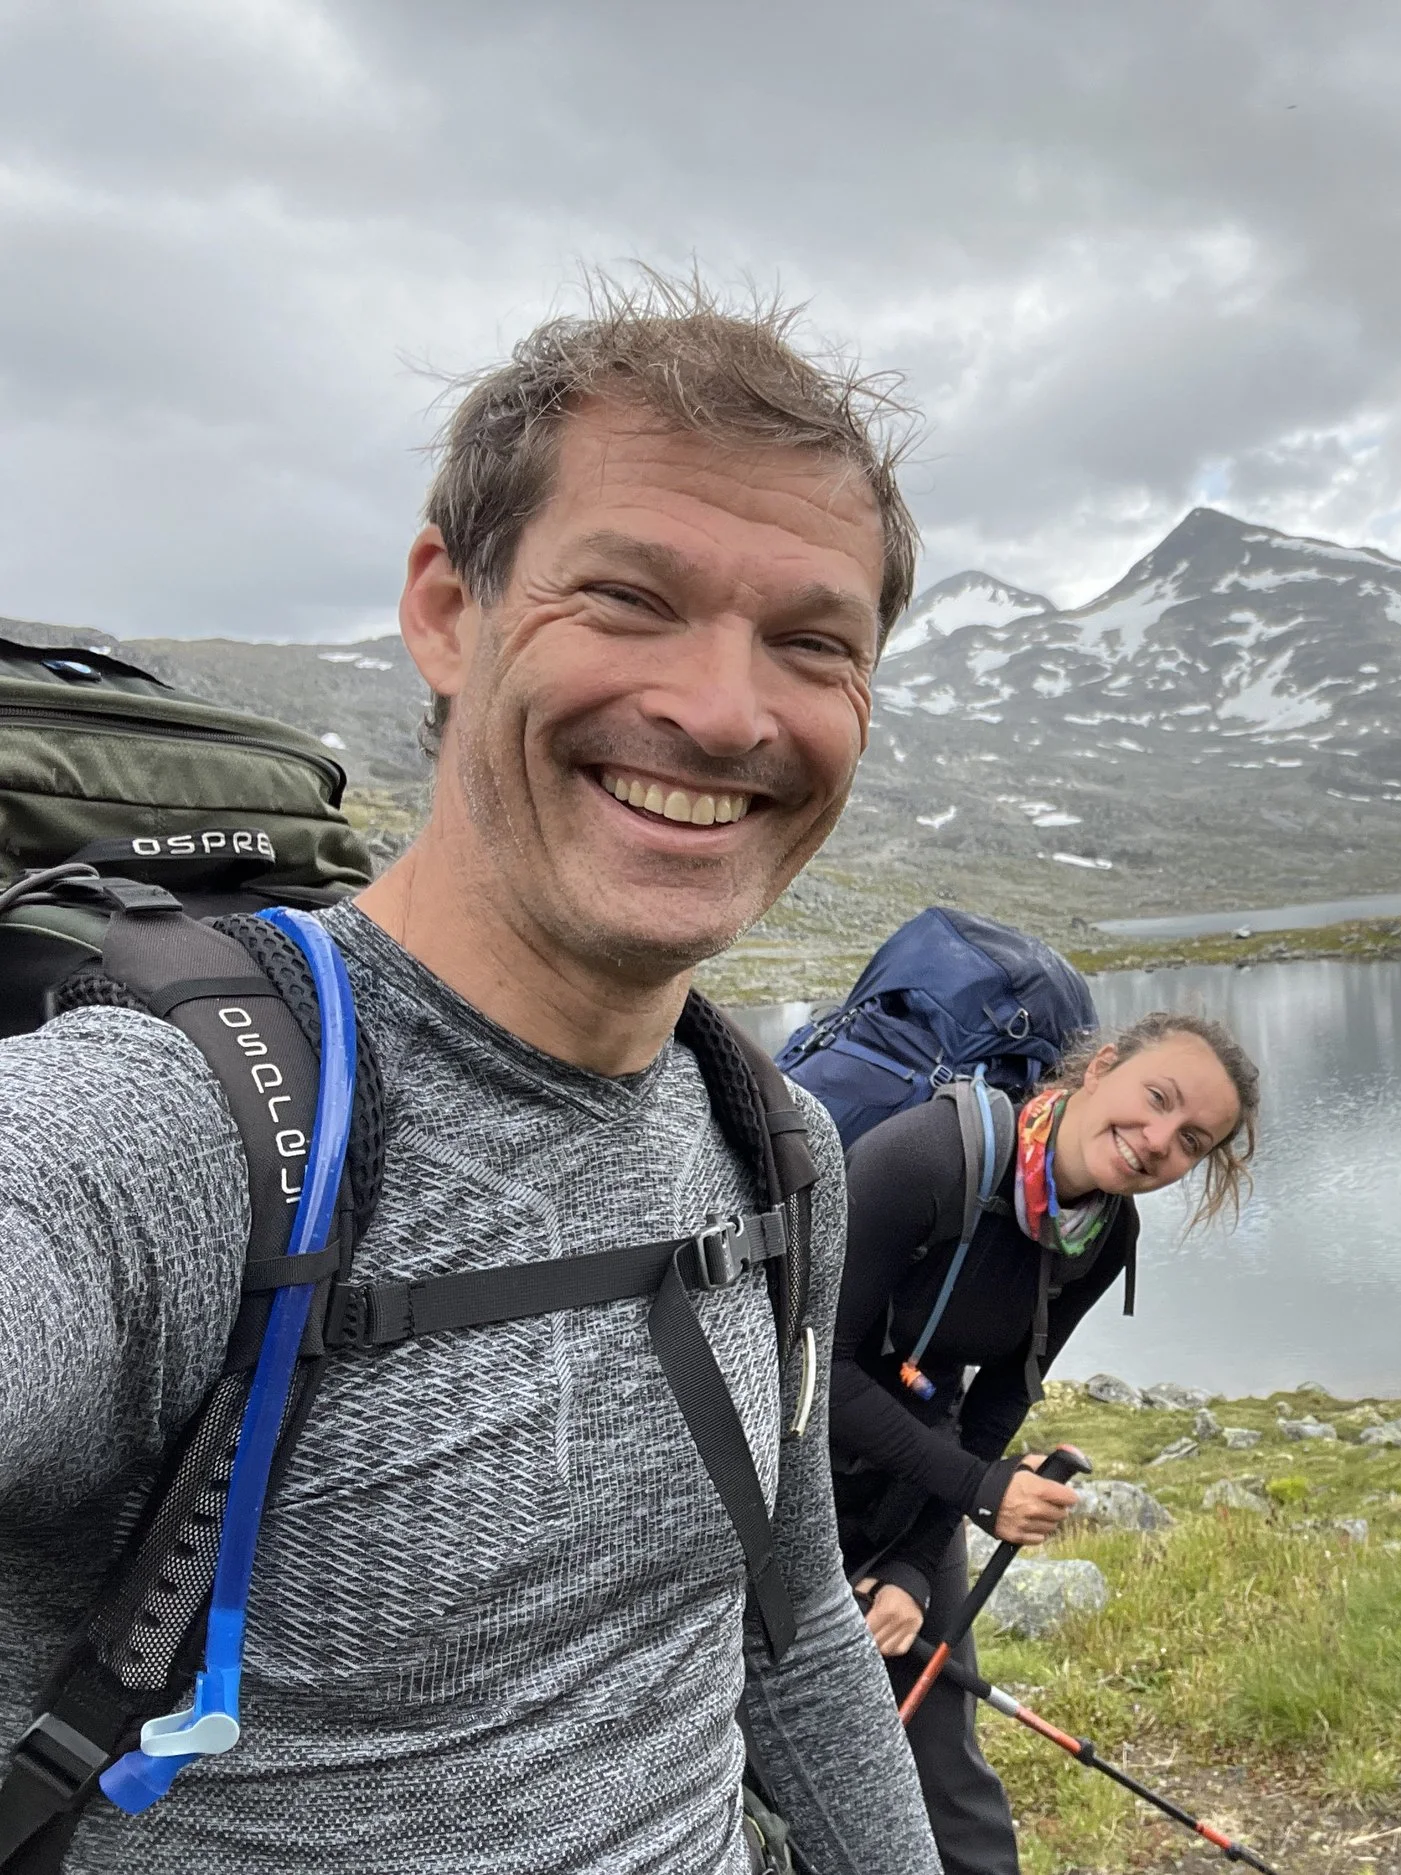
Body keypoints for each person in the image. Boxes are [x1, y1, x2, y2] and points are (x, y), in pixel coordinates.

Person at [0, 277, 943, 1874]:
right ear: (448, 606)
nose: (721, 711)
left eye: (810, 641)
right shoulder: (170, 1124)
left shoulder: (773, 1144)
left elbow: (787, 1630)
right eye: (629, 597)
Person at [825, 1013, 1260, 1875]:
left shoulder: (1101, 1236)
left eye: (1191, 1139)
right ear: (1101, 1067)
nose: (1157, 1141)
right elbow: (808, 1368)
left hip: (914, 1483)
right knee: (777, 1755)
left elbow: (1000, 1398)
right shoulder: (927, 1159)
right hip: (781, 1482)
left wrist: (913, 1568)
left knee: (945, 1774)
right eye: (1156, 1098)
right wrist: (980, 1491)